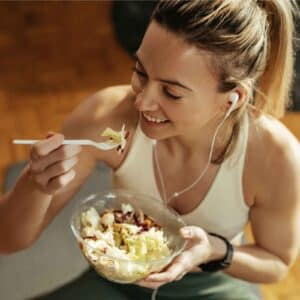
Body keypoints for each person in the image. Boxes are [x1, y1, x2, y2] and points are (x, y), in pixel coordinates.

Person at [2, 0, 300, 299]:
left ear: (232, 98)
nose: (142, 102)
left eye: (171, 92)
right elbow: (8, 240)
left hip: (207, 286)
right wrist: (35, 184)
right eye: (141, 73)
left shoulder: (275, 157)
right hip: (115, 282)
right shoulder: (106, 116)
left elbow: (275, 263)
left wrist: (213, 249)